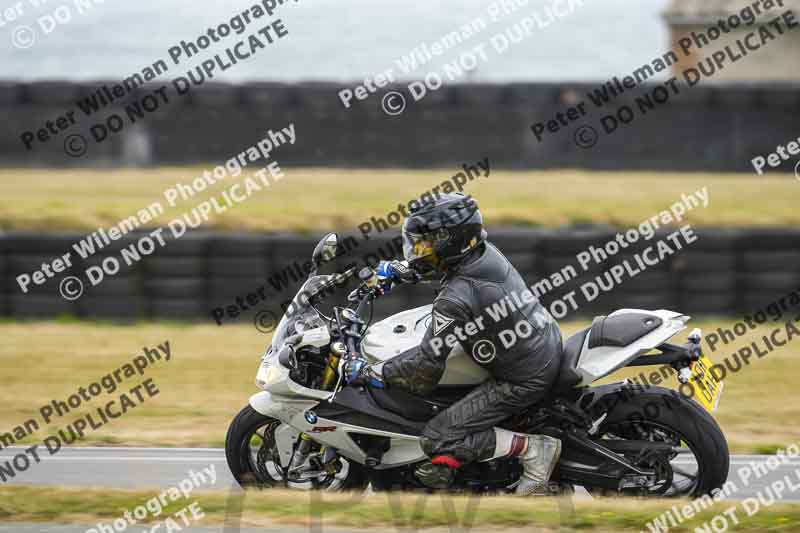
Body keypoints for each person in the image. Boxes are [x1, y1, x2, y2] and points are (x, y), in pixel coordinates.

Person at [347, 192, 564, 495]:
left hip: (522, 378)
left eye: (425, 242)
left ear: (450, 240)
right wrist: (398, 271)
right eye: (416, 242)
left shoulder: (456, 298)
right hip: (539, 343)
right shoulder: (482, 255)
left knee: (438, 436)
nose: (417, 249)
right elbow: (441, 268)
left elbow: (423, 370)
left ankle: (533, 450)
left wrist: (371, 372)